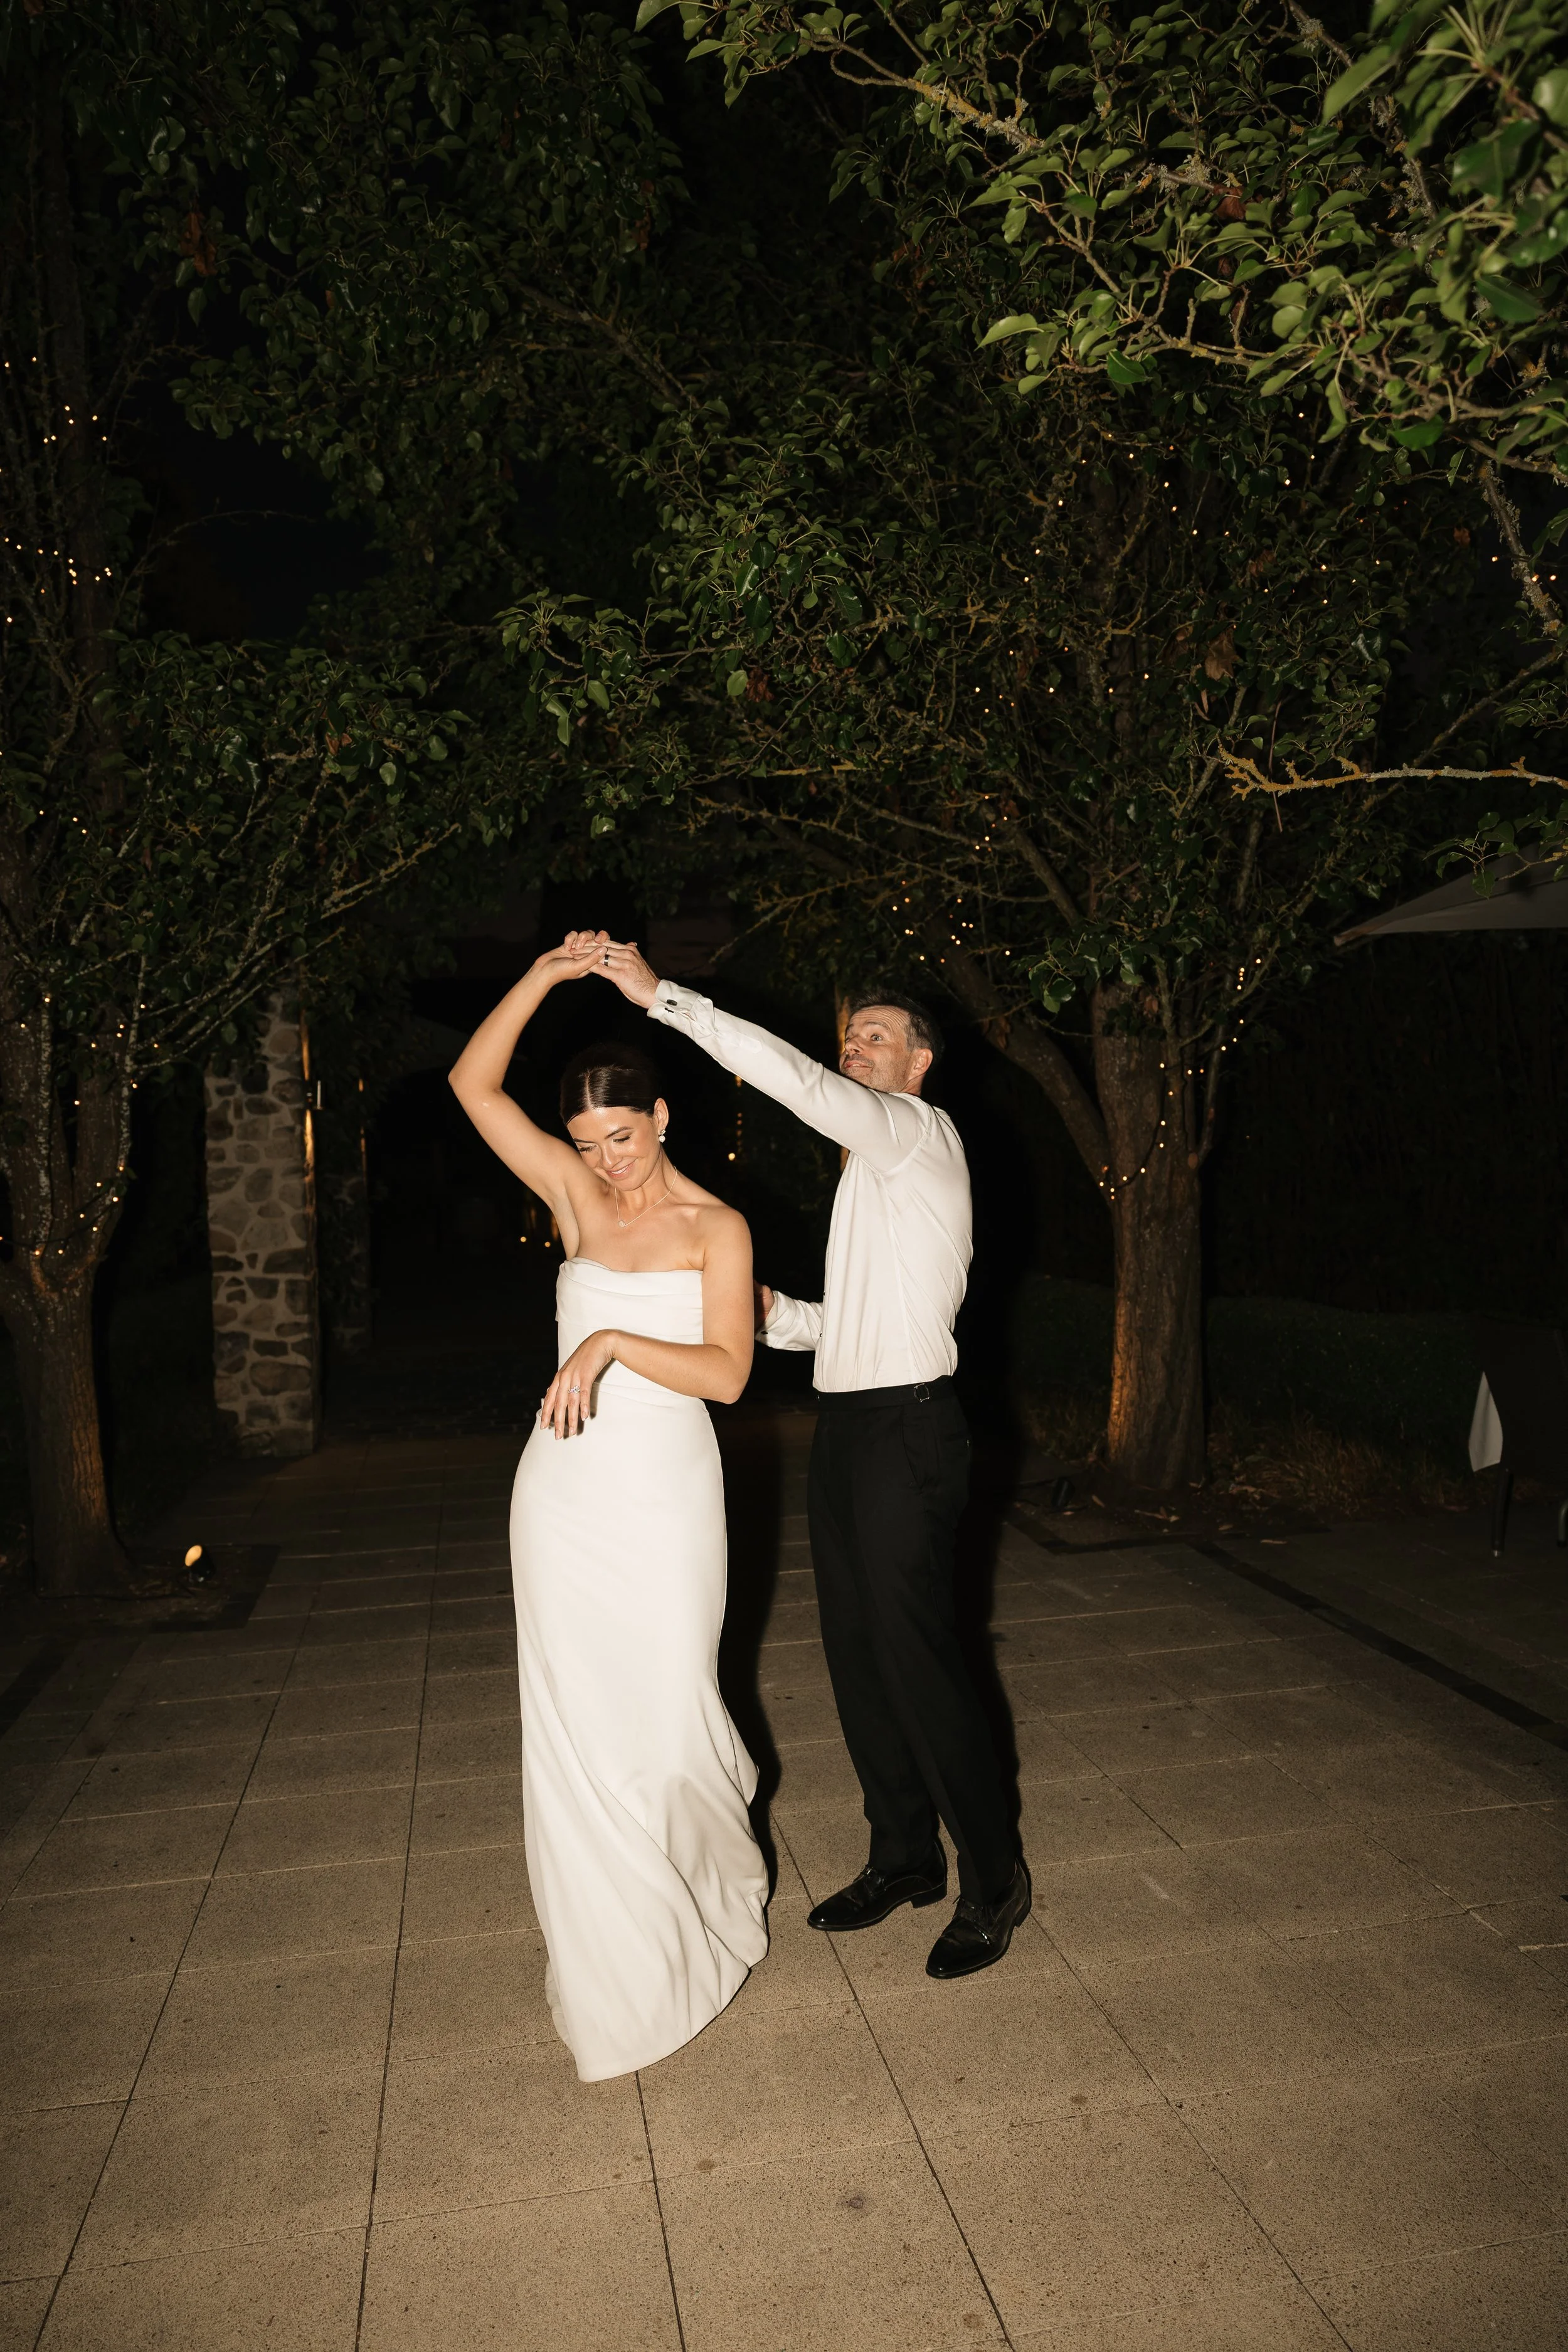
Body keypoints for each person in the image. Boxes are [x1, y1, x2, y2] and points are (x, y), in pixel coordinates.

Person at [593, 937, 1029, 1981]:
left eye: (878, 1038)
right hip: (849, 1429)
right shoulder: (873, 1183)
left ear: (920, 1063)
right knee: (857, 1657)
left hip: (909, 1433)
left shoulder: (916, 1132)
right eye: (852, 1037)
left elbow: (792, 1078)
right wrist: (775, 1314)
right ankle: (903, 1855)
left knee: (919, 1657)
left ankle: (995, 1877)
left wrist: (665, 1000)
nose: (857, 1049)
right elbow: (853, 1328)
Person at [448, 933, 769, 2081]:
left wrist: (616, 1337)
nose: (606, 1162)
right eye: (587, 1143)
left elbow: (729, 1371)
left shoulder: (714, 1229)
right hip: (567, 1492)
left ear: (666, 1116)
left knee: (675, 1710)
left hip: (668, 1494)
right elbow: (470, 1086)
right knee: (581, 1726)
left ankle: (705, 1899)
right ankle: (618, 1971)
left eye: (622, 1137)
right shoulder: (576, 1197)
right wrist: (539, 977)